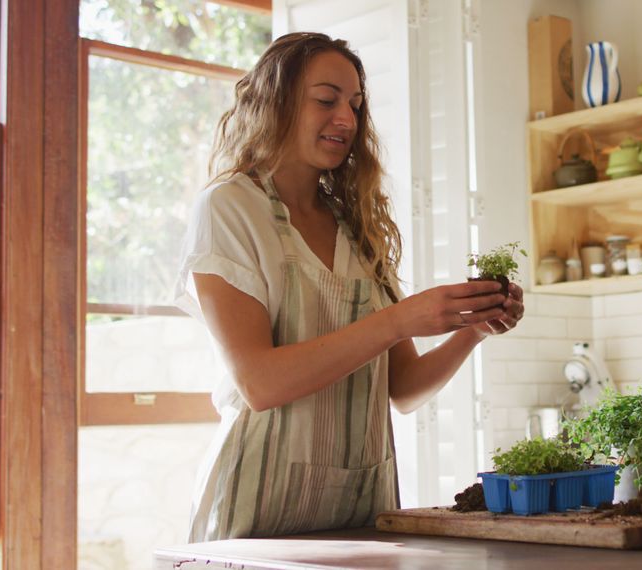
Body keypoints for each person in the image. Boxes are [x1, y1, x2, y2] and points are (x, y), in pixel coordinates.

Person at [174, 32, 524, 542]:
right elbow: (260, 383)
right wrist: (399, 319)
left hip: (362, 516)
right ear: (276, 100)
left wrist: (473, 330)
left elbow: (402, 389)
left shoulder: (355, 226)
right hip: (255, 519)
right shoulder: (229, 209)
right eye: (326, 99)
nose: (346, 118)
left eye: (355, 105)